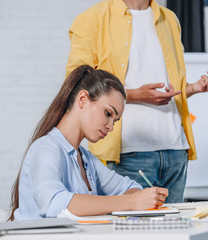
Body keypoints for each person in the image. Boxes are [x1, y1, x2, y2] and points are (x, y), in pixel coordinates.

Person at [65, 0, 208, 203]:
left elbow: (171, 87)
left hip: (175, 149)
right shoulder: (91, 19)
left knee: (173, 232)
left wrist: (194, 88)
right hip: (127, 153)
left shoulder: (169, 19)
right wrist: (133, 94)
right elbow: (78, 84)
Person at [9, 65, 168, 221]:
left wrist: (138, 199)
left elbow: (130, 188)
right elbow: (54, 204)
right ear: (83, 99)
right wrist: (131, 202)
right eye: (108, 113)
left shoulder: (86, 160)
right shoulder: (45, 148)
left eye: (115, 121)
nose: (111, 127)